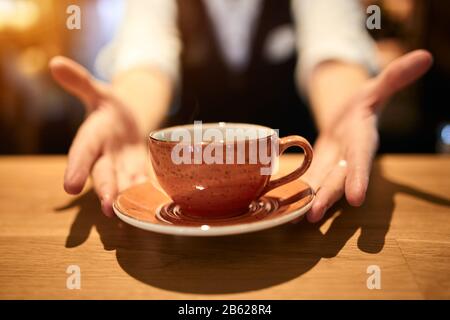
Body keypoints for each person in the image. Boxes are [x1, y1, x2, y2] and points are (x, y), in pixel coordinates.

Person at [49, 0, 432, 222]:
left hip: (293, 203)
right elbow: (145, 58)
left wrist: (341, 112)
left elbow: (333, 50)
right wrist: (128, 113)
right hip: (191, 202)